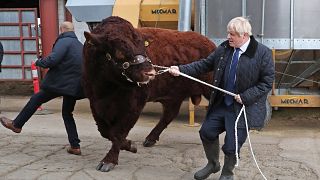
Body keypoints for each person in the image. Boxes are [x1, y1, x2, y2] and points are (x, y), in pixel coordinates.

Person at [169, 17, 274, 180]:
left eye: (232, 34)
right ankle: (213, 164)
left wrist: (246, 96)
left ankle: (227, 173)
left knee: (231, 146)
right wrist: (180, 69)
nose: (228, 37)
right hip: (222, 104)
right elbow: (203, 65)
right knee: (206, 132)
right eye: (228, 33)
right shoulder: (224, 49)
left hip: (243, 108)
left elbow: (266, 83)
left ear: (244, 35)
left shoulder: (262, 53)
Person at [0, 21, 85, 155]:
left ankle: (16, 125)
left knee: (36, 98)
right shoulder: (79, 45)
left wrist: (38, 62)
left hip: (60, 83)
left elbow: (53, 59)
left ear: (61, 30)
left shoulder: (63, 42)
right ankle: (75, 146)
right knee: (67, 113)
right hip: (75, 86)